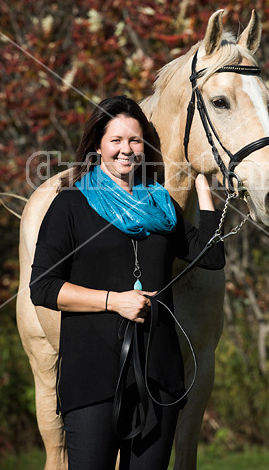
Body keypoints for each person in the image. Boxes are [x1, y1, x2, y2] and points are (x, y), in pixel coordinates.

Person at [30, 95, 225, 470]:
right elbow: (43, 286)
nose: (126, 150)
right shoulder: (71, 203)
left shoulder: (162, 204)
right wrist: (113, 301)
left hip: (159, 380)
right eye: (116, 140)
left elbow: (211, 256)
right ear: (98, 144)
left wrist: (204, 191)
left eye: (135, 140)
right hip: (92, 380)